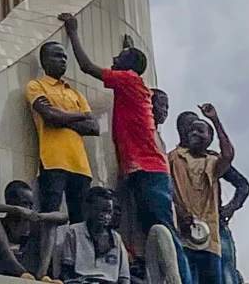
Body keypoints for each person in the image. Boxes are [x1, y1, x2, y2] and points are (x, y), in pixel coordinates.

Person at [57, 15, 177, 255]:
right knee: (147, 229)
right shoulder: (132, 82)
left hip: (148, 169)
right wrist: (127, 51)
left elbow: (86, 67)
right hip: (141, 170)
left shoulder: (129, 80)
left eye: (119, 58)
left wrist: (72, 32)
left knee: (164, 230)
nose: (113, 59)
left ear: (129, 68)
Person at [27, 39, 99, 223]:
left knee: (81, 221)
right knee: (50, 217)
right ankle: (49, 253)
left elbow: (94, 127)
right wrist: (79, 115)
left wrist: (61, 118)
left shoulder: (75, 93)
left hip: (81, 165)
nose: (63, 60)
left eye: (65, 57)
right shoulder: (36, 86)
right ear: (44, 61)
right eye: (57, 56)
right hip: (53, 162)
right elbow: (49, 116)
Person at [168, 107, 235, 284]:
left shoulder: (213, 162)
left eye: (200, 130)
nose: (194, 133)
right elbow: (168, 188)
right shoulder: (173, 158)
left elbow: (228, 154)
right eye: (191, 130)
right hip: (183, 236)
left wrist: (215, 120)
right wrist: (179, 211)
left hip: (210, 241)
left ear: (209, 138)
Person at [0, 180, 65, 280]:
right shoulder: (0, 223)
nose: (28, 208)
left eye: (31, 204)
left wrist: (39, 216)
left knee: (49, 223)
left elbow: (63, 218)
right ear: (10, 202)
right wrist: (16, 210)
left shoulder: (33, 225)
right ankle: (20, 272)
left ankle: (43, 275)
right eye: (24, 203)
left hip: (31, 271)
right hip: (4, 269)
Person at [49, 187, 128, 284]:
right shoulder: (74, 232)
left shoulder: (116, 238)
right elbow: (66, 271)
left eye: (108, 211)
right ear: (88, 209)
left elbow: (124, 277)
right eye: (98, 210)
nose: (104, 215)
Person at [216, 164, 249, 284]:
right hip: (187, 227)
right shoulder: (174, 160)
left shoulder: (214, 161)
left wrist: (230, 208)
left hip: (216, 227)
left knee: (227, 273)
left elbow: (243, 185)